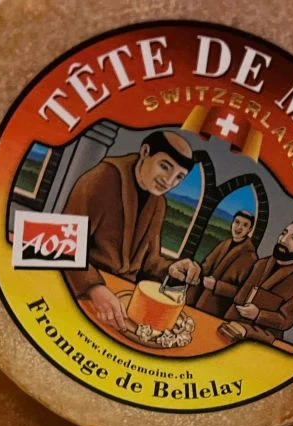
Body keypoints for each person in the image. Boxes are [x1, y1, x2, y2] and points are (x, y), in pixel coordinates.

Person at [61, 130, 199, 332]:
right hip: (82, 293)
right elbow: (63, 245)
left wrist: (171, 269)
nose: (169, 182)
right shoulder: (102, 178)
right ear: (145, 152)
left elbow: (149, 262)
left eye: (179, 177)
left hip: (124, 301)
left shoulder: (158, 203)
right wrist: (94, 288)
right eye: (164, 166)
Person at [223, 222, 293, 344]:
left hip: (260, 338)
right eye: (283, 234)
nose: (283, 240)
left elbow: (286, 320)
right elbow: (239, 295)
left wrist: (258, 314)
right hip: (229, 326)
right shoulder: (260, 264)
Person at [177, 211, 257, 318]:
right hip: (197, 298)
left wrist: (216, 285)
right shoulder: (224, 243)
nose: (239, 227)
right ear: (232, 223)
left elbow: (242, 293)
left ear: (250, 229)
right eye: (237, 222)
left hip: (216, 308)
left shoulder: (250, 257)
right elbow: (206, 265)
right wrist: (195, 268)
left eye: (245, 225)